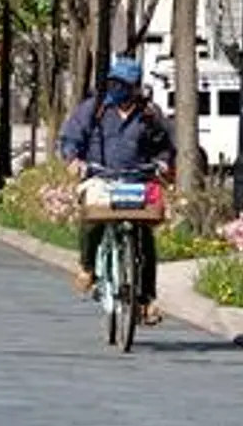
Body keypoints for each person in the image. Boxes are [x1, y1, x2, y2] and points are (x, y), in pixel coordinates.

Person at [58, 57, 176, 326]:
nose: (117, 88)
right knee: (92, 219)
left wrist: (164, 162)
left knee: (144, 236)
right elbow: (71, 138)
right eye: (113, 82)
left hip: (138, 179)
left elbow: (166, 146)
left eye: (123, 84)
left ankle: (145, 299)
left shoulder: (149, 115)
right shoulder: (95, 109)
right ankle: (88, 267)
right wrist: (73, 159)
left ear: (136, 87)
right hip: (101, 177)